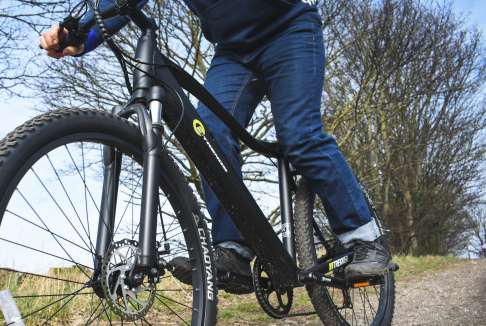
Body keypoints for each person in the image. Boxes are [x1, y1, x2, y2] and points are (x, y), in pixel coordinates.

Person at [40, 0, 394, 292]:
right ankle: (234, 249)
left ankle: (365, 238)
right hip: (233, 53)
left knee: (300, 138)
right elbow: (115, 5)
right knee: (207, 135)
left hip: (291, 30)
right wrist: (79, 33)